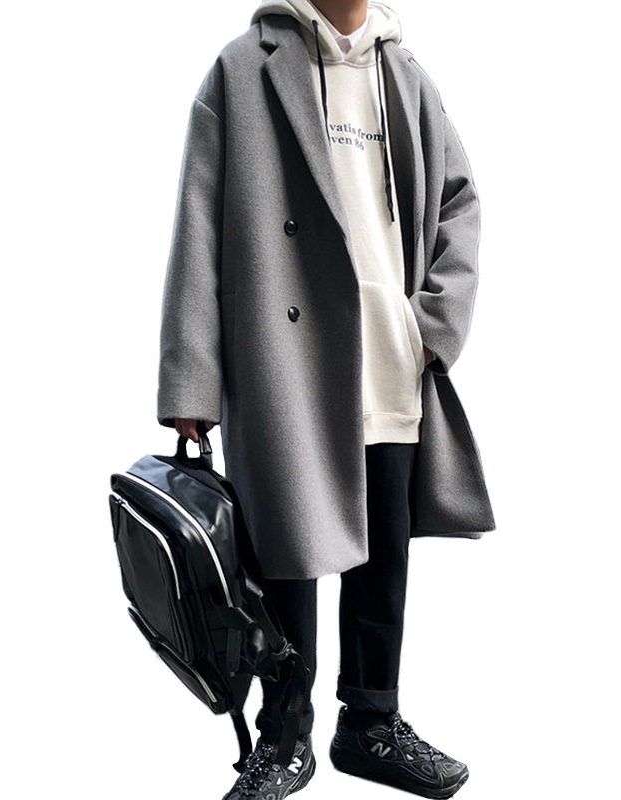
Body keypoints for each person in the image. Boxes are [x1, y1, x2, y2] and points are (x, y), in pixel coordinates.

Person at [157, 0, 495, 797]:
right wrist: (190, 381)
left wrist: (431, 329)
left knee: (383, 556)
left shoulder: (407, 77)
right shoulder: (244, 69)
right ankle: (284, 739)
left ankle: (371, 724)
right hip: (286, 360)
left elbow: (460, 203)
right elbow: (199, 227)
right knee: (287, 554)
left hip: (388, 359)